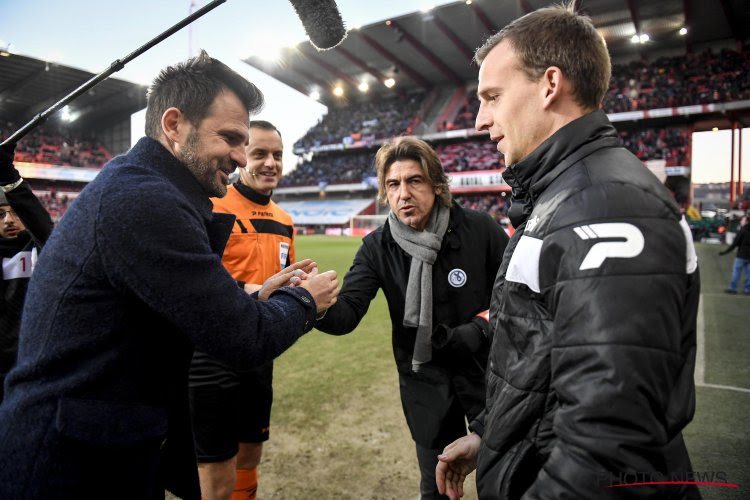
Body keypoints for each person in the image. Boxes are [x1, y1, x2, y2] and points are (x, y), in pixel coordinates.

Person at [0, 51, 339, 500]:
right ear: (175, 125)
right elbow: (242, 339)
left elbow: (163, 293)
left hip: (98, 444)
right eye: (231, 139)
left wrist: (248, 292)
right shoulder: (145, 200)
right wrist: (306, 301)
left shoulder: (142, 186)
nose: (241, 158)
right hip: (70, 464)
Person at [436, 5, 700, 499]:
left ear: (549, 84)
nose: (478, 120)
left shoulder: (604, 203)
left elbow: (610, 442)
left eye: (492, 96)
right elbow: (544, 361)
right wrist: (494, 436)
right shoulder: (566, 196)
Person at [316, 136, 508, 499]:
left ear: (437, 185)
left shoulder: (480, 230)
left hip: (489, 378)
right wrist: (313, 304)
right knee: (436, 488)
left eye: (414, 181)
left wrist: (480, 328)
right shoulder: (377, 247)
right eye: (393, 184)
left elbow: (517, 300)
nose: (403, 193)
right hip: (425, 386)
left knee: (500, 483)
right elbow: (347, 314)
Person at [190, 120, 294, 499]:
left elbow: (282, 281)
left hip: (258, 351)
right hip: (211, 354)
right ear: (241, 157)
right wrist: (253, 289)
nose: (270, 163)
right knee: (216, 471)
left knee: (251, 452)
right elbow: (197, 281)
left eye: (277, 155)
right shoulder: (213, 208)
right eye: (260, 153)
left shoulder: (285, 220)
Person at [0, 143, 54, 402]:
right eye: (0, 215)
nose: (9, 221)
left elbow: (43, 225)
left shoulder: (42, 247)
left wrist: (11, 179)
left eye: (14, 213)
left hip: (38, 360)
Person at [720, 215, 750, 294]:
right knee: (748, 273)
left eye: (742, 220)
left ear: (747, 221)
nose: (741, 221)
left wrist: (724, 252)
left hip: (741, 255)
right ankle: (747, 289)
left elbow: (735, 244)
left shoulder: (742, 231)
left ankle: (733, 288)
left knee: (736, 272)